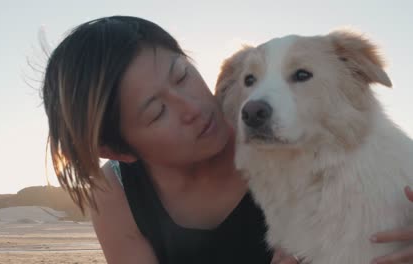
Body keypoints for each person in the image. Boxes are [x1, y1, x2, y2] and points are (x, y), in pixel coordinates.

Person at [40, 16, 413, 264]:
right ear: (118, 150)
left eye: (182, 75)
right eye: (157, 112)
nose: (193, 108)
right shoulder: (115, 192)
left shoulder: (285, 127)